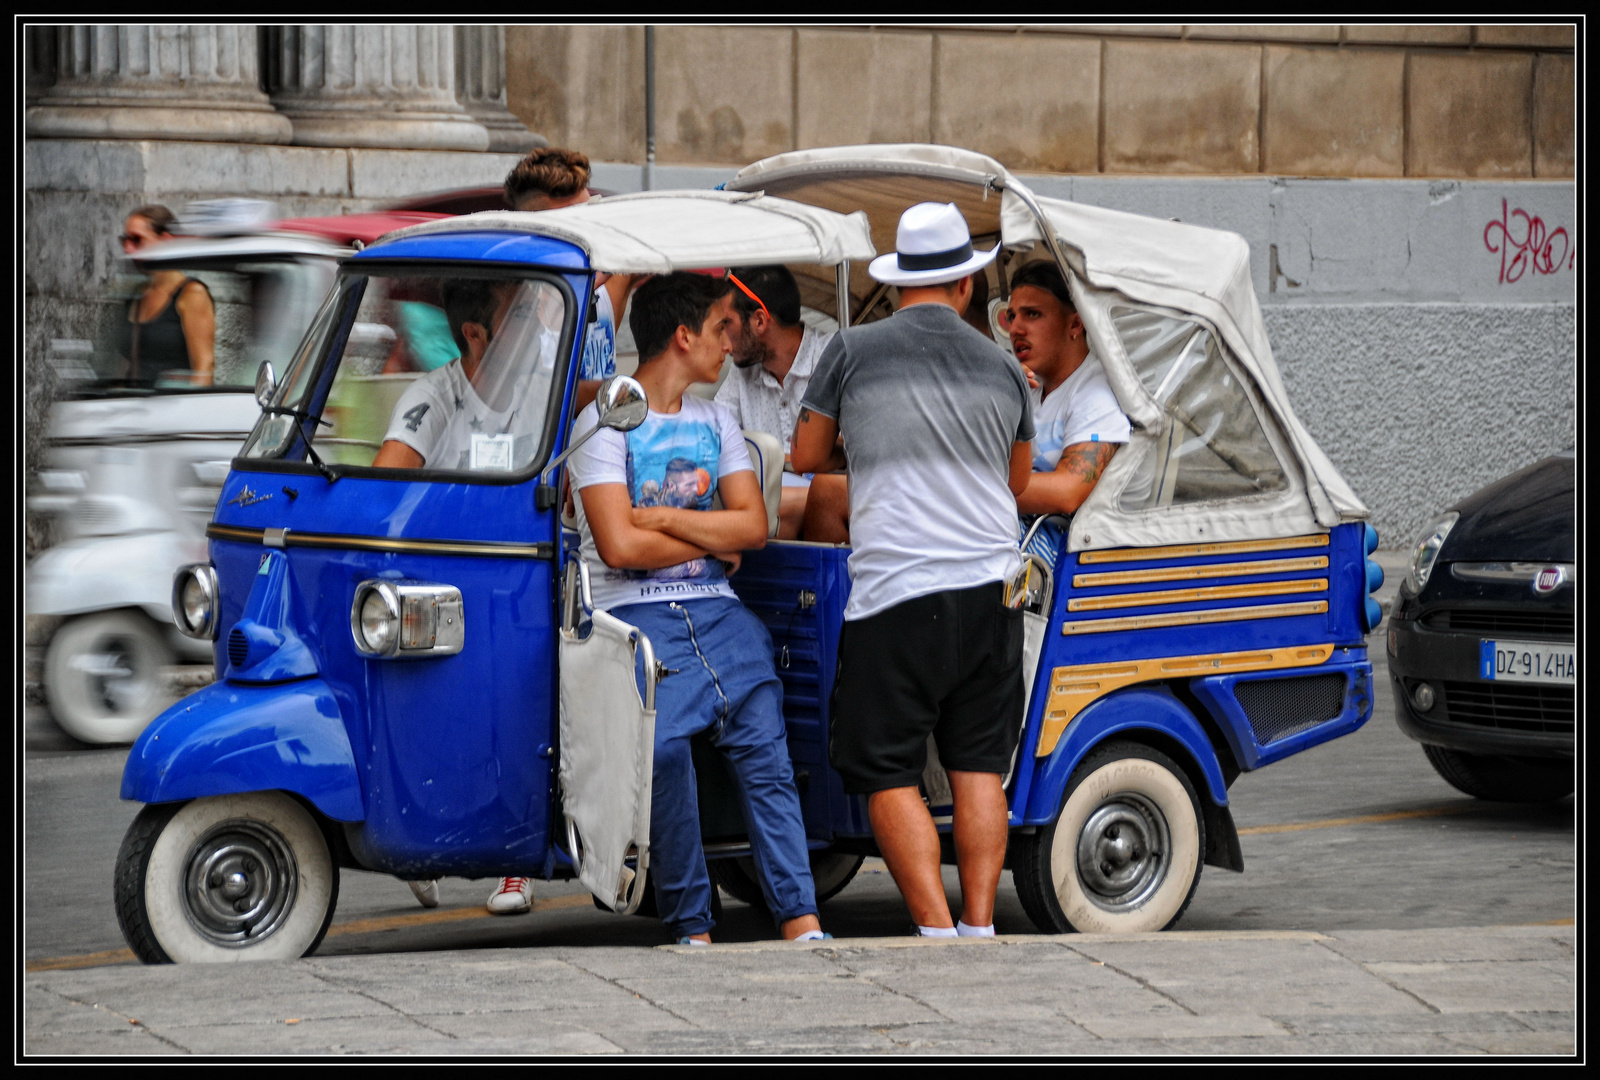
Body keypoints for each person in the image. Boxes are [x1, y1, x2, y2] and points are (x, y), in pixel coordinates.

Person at [791, 202, 1033, 939]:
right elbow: (1016, 480)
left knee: (887, 770)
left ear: (897, 285)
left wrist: (868, 445)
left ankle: (933, 928)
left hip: (898, 594)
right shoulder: (1004, 366)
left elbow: (803, 458)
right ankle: (981, 923)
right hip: (993, 589)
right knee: (978, 766)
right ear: (966, 285)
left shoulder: (852, 351)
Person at [567, 271, 827, 945]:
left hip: (719, 612)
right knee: (666, 755)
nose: (730, 340)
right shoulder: (604, 423)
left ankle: (801, 919)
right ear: (683, 336)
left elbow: (753, 528)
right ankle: (691, 924)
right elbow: (618, 546)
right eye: (720, 328)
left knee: (766, 748)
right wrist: (703, 532)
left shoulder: (718, 420)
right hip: (635, 618)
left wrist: (660, 516)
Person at [1005, 261, 1130, 562]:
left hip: (1062, 559)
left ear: (1075, 324)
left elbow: (1067, 491)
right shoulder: (1027, 387)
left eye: (1032, 314)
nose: (1015, 328)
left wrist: (972, 488)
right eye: (1011, 316)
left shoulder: (1095, 393)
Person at [504, 147, 636, 412]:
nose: (591, 229)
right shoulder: (509, 298)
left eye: (592, 214)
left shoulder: (611, 278)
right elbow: (536, 398)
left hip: (604, 447)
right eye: (578, 221)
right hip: (542, 452)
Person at [713, 265, 835, 539]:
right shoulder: (742, 372)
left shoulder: (832, 357)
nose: (722, 340)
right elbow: (713, 437)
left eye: (726, 324)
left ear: (759, 320)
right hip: (769, 513)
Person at [114, 205, 215, 386]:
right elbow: (125, 364)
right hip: (132, 405)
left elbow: (204, 366)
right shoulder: (137, 294)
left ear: (166, 240)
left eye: (137, 240)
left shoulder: (191, 294)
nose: (128, 249)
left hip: (171, 407)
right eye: (125, 240)